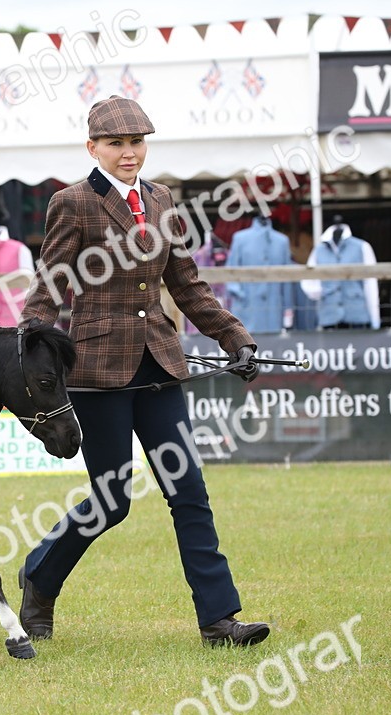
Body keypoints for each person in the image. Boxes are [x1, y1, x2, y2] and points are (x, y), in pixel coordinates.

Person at [16, 95, 270, 648]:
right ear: (93, 148)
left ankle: (219, 621)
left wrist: (234, 336)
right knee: (112, 502)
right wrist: (33, 346)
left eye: (136, 142)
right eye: (116, 143)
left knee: (189, 490)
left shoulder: (162, 200)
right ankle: (39, 577)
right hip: (97, 374)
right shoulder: (73, 202)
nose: (129, 152)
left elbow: (186, 283)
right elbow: (51, 287)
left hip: (159, 365)